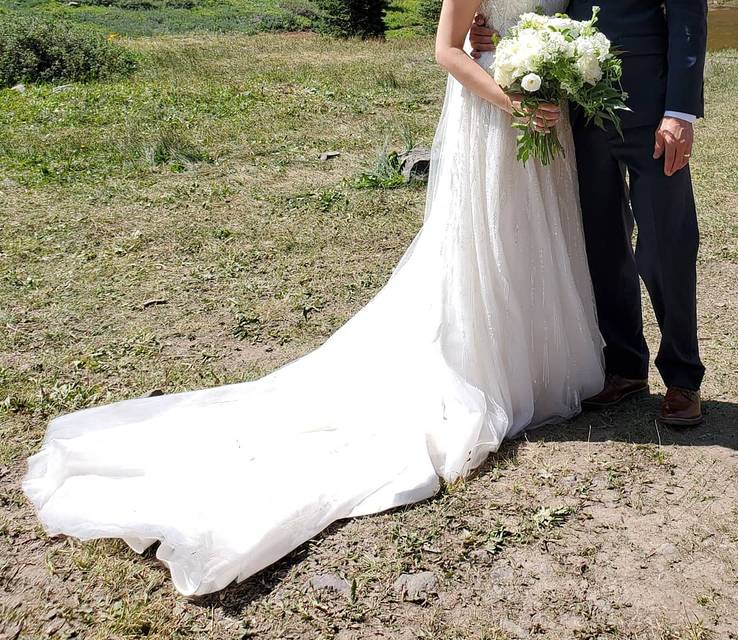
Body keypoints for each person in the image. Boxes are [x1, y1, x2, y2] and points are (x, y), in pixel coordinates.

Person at [21, 0, 604, 596]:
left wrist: (554, 77)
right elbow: (447, 48)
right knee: (487, 238)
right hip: (491, 114)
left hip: (540, 118)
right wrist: (513, 100)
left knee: (534, 234)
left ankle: (529, 358)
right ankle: (482, 357)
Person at [471, 0, 708, 426]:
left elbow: (688, 17)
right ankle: (624, 365)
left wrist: (679, 111)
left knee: (666, 242)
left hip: (652, 106)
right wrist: (492, 35)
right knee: (600, 241)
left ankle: (683, 376)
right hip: (576, 108)